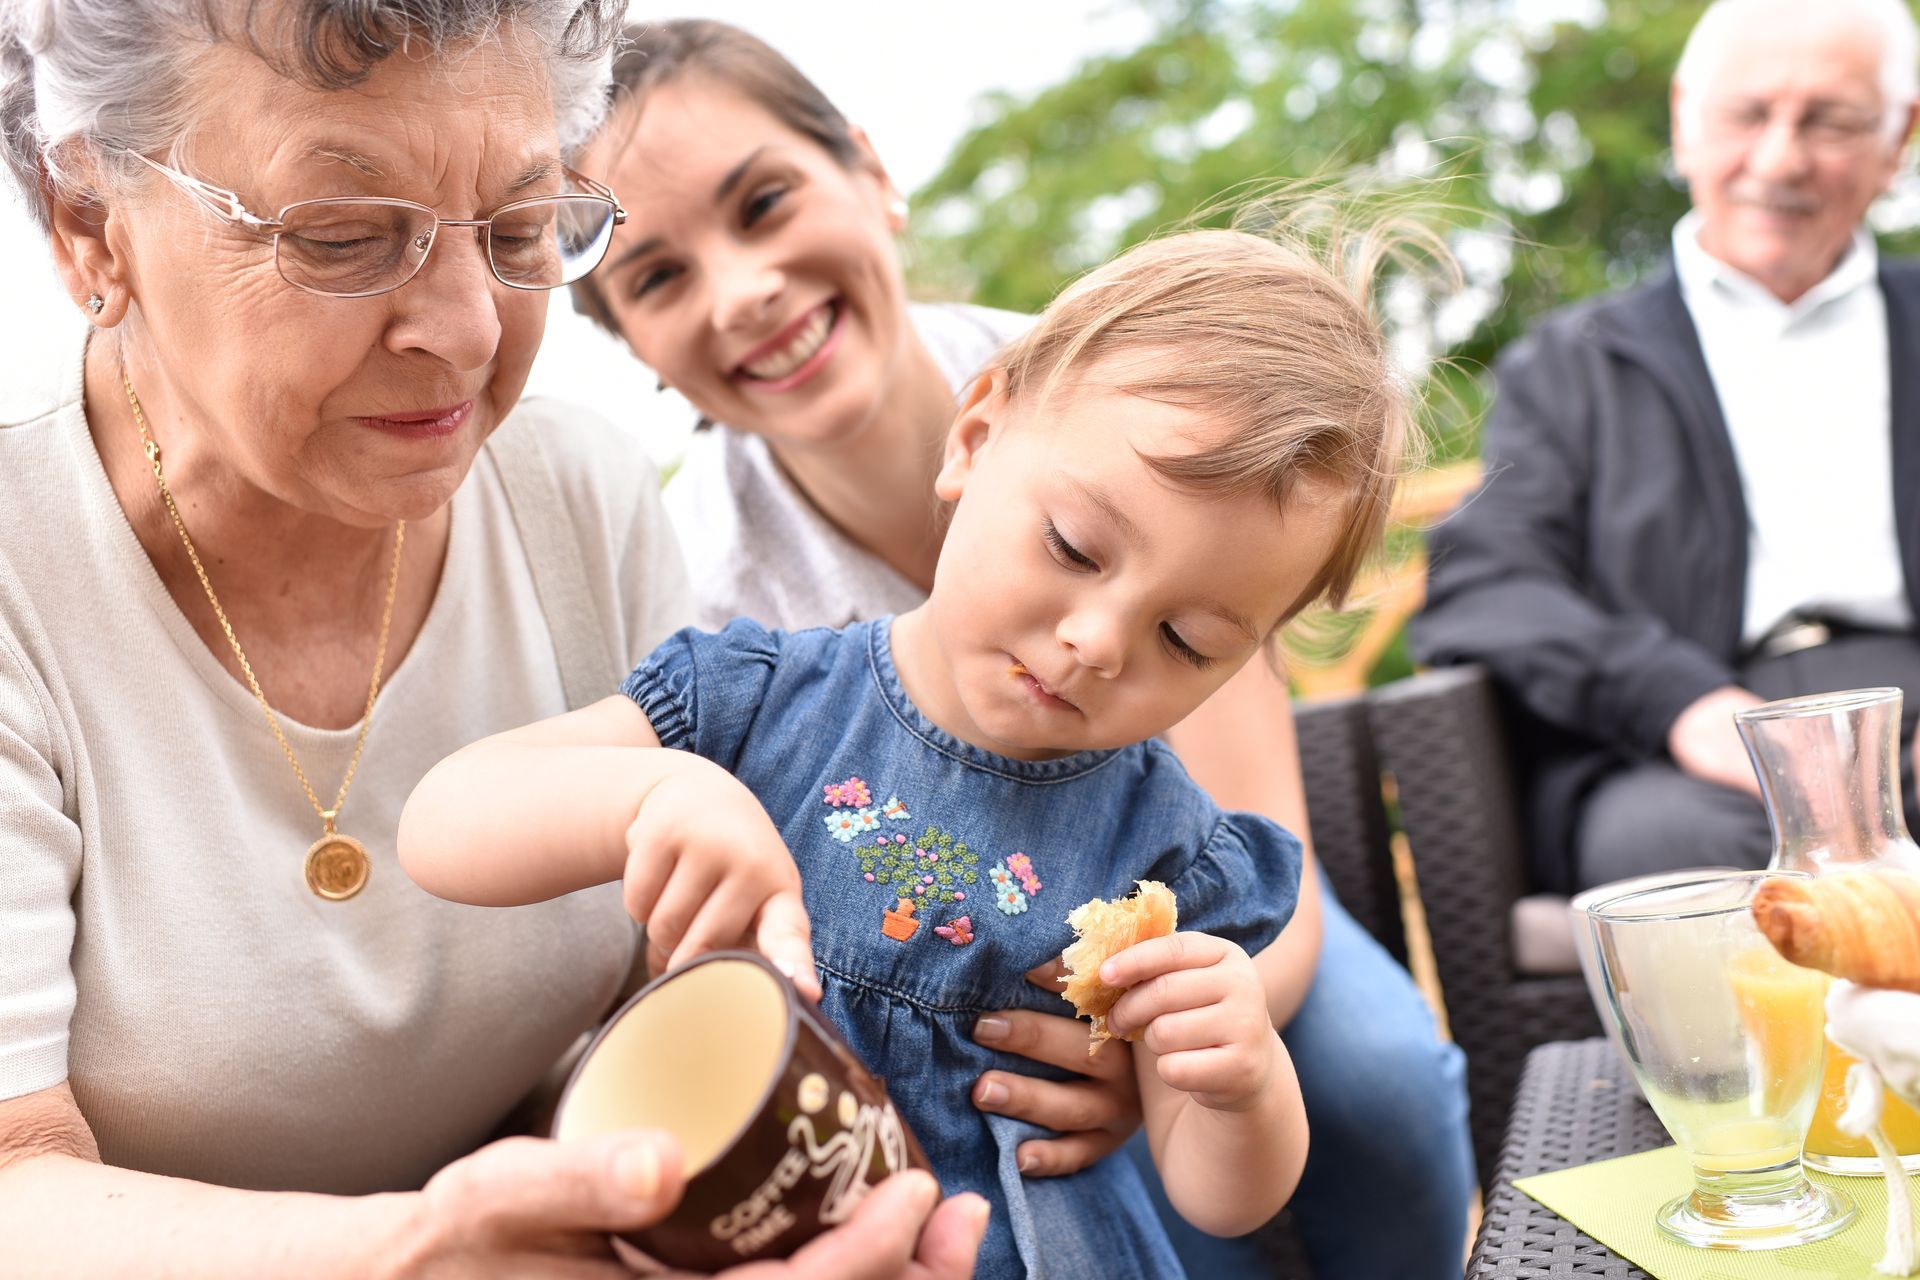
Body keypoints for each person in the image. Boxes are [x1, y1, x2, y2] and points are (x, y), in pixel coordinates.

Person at [0, 3, 986, 1275]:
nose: (466, 331)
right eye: (346, 239)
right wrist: (425, 1249)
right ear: (88, 225)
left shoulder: (582, 495)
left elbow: (671, 1006)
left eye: (522, 228)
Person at [565, 21, 1477, 1276]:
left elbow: (1266, 854)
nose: (743, 289)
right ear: (637, 349)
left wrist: (1153, 1049)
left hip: (1156, 924)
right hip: (939, 982)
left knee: (1374, 1077)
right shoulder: (722, 597)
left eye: (765, 202)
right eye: (658, 278)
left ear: (869, 172)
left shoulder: (1146, 405)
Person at [401, 225, 1419, 1276]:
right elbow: (443, 821)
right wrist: (654, 790)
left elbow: (1220, 1197)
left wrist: (1242, 1081)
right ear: (975, 435)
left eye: (1186, 640)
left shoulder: (1165, 849)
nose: (1098, 641)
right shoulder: (757, 699)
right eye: (1073, 546)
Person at [1415, 0, 1920, 895]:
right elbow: (1487, 581)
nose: (1780, 159)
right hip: (1692, 746)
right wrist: (1676, 701)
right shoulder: (1573, 367)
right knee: (1681, 865)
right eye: (1748, 114)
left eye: (1831, 121)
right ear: (1685, 121)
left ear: (1898, 139)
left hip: (1906, 703)